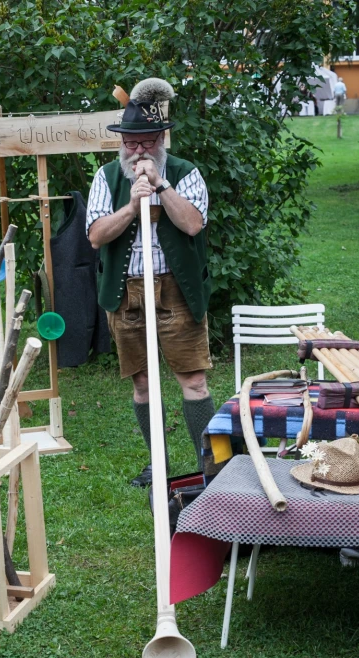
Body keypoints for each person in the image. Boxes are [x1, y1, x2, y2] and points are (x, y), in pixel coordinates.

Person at [86, 78, 215, 487]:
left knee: (193, 379)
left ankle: (209, 465)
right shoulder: (107, 177)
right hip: (127, 291)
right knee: (142, 381)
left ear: (161, 139)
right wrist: (133, 205)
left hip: (176, 287)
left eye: (145, 142)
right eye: (130, 143)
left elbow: (193, 224)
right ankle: (157, 462)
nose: (137, 151)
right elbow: (95, 235)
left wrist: (160, 186)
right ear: (120, 143)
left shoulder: (185, 172)